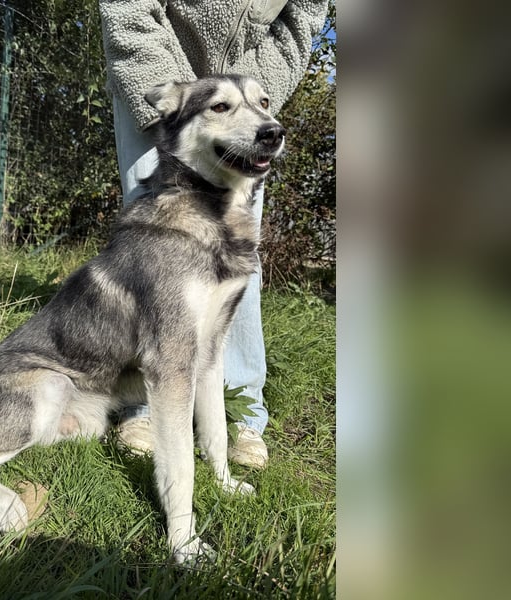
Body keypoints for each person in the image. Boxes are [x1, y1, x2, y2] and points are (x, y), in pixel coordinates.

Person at [99, 0, 329, 468]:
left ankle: (239, 406)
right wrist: (184, 98)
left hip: (247, 86)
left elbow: (306, 9)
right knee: (152, 253)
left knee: (237, 257)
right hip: (157, 72)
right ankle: (143, 402)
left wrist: (252, 92)